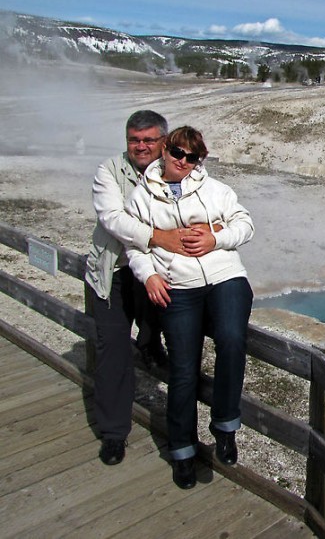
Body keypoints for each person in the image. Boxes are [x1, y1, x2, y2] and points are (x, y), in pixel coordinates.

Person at [126, 126, 254, 490]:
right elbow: (135, 245)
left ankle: (225, 426)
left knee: (231, 338)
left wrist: (216, 237)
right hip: (178, 285)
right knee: (183, 369)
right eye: (178, 153)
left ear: (201, 159)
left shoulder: (216, 190)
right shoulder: (143, 196)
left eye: (192, 157)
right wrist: (149, 275)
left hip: (226, 277)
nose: (183, 161)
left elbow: (245, 225)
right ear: (165, 150)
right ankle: (182, 450)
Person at [85, 110, 210, 466]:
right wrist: (159, 237)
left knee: (182, 348)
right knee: (112, 353)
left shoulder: (180, 169)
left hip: (158, 273)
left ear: (164, 142)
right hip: (115, 274)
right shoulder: (109, 170)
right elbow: (112, 219)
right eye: (134, 140)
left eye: (149, 140)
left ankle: (151, 345)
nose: (140, 146)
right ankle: (113, 433)